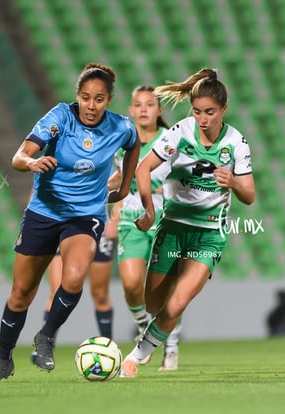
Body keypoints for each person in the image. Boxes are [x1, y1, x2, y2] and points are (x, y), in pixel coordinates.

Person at [0, 62, 140, 383]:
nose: (91, 106)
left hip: (85, 215)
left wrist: (123, 185)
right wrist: (33, 162)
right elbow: (19, 157)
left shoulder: (121, 127)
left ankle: (46, 336)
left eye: (99, 99)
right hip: (45, 212)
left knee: (75, 276)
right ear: (77, 96)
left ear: (109, 100)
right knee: (21, 293)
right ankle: (3, 360)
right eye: (85, 97)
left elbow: (133, 146)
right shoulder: (59, 118)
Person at [120, 68, 255, 378]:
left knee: (178, 302)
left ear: (224, 109)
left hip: (208, 234)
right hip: (173, 227)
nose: (203, 118)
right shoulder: (180, 132)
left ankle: (138, 354)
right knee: (154, 303)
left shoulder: (236, 143)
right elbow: (142, 169)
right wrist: (149, 212)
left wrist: (233, 181)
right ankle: (156, 333)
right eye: (197, 112)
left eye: (210, 112)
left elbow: (250, 195)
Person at [110, 85, 181, 370]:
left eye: (149, 104)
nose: (143, 109)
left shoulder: (171, 139)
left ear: (158, 110)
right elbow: (118, 177)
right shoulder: (124, 141)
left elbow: (180, 177)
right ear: (130, 110)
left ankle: (172, 347)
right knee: (130, 283)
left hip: (167, 218)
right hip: (132, 218)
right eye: (138, 104)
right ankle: (143, 327)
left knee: (165, 288)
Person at [41, 218, 117, 340]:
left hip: (100, 228)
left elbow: (120, 199)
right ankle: (44, 346)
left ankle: (108, 345)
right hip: (66, 226)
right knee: (56, 291)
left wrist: (114, 221)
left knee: (100, 294)